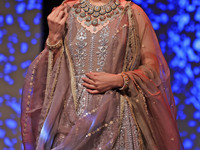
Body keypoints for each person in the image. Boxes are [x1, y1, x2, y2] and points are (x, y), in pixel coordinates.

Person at [20, 0, 183, 149]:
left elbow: (153, 70)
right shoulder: (65, 12)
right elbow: (48, 75)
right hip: (70, 121)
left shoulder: (132, 13)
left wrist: (119, 79)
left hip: (117, 119)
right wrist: (54, 37)